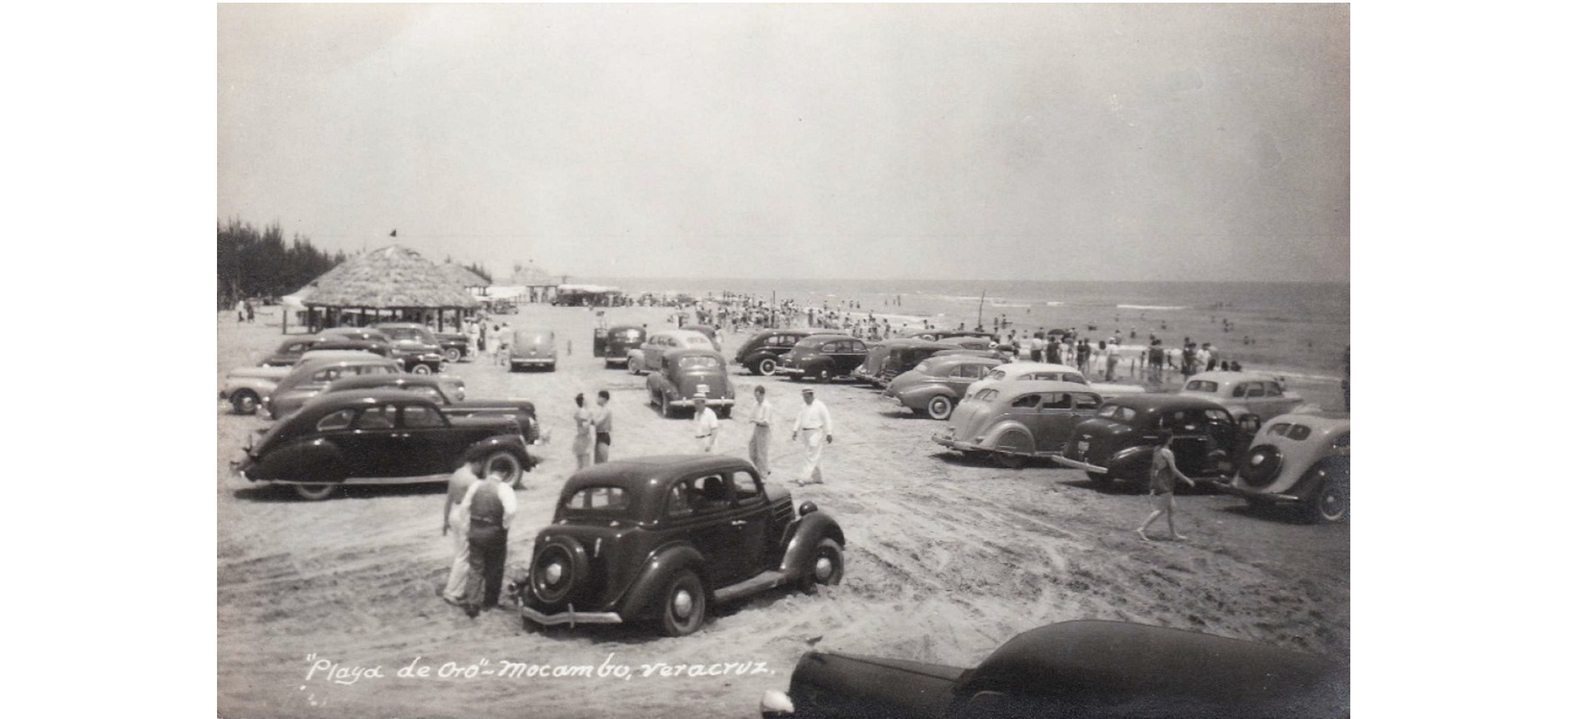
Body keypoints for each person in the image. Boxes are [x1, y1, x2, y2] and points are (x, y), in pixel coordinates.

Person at [458, 466, 516, 617]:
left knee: (475, 567)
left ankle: (472, 603)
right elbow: (511, 510)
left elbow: (464, 507)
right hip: (494, 533)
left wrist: (467, 526)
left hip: (475, 531)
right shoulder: (504, 489)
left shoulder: (476, 485)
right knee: (495, 567)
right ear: (503, 472)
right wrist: (504, 525)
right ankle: (490, 602)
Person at [1137, 431, 1196, 541]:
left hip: (1159, 480)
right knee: (1160, 510)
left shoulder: (1157, 450)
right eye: (1171, 437)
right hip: (1166, 482)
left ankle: (1173, 534)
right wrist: (1187, 480)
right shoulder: (1168, 452)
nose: (1173, 439)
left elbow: (1154, 468)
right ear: (1168, 438)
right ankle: (1142, 529)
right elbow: (1174, 470)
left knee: (1172, 509)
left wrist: (1152, 483)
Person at [439, 458, 483, 605]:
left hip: (454, 513)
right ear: (477, 463)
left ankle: (458, 589)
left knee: (460, 554)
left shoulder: (456, 474)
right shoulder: (472, 480)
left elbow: (448, 499)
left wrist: (445, 521)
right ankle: (452, 592)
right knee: (463, 556)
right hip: (464, 516)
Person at [790, 387, 834, 485]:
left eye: (806, 397)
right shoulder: (803, 406)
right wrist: (795, 430)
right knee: (814, 455)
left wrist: (829, 433)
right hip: (805, 433)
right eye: (803, 397)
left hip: (816, 432)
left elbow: (827, 419)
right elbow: (799, 418)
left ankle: (804, 478)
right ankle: (819, 478)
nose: (805, 399)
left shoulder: (820, 406)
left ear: (811, 395)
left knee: (810, 455)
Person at [748, 385, 773, 475]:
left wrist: (754, 420)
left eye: (758, 397)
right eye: (755, 396)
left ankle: (763, 475)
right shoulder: (755, 404)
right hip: (756, 429)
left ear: (762, 395)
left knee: (761, 454)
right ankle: (764, 468)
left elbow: (766, 422)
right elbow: (751, 415)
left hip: (764, 430)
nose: (756, 399)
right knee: (752, 451)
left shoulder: (767, 406)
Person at [572, 393, 593, 469]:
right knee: (586, 465)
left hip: (579, 439)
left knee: (580, 465)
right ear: (583, 401)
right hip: (584, 440)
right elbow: (584, 427)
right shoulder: (584, 411)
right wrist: (590, 419)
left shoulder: (578, 411)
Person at [591, 390, 613, 463]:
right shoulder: (603, 409)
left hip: (603, 436)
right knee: (598, 461)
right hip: (600, 436)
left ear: (604, 399)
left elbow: (597, 422)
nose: (597, 399)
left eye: (599, 397)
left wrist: (588, 419)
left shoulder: (606, 410)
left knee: (602, 462)